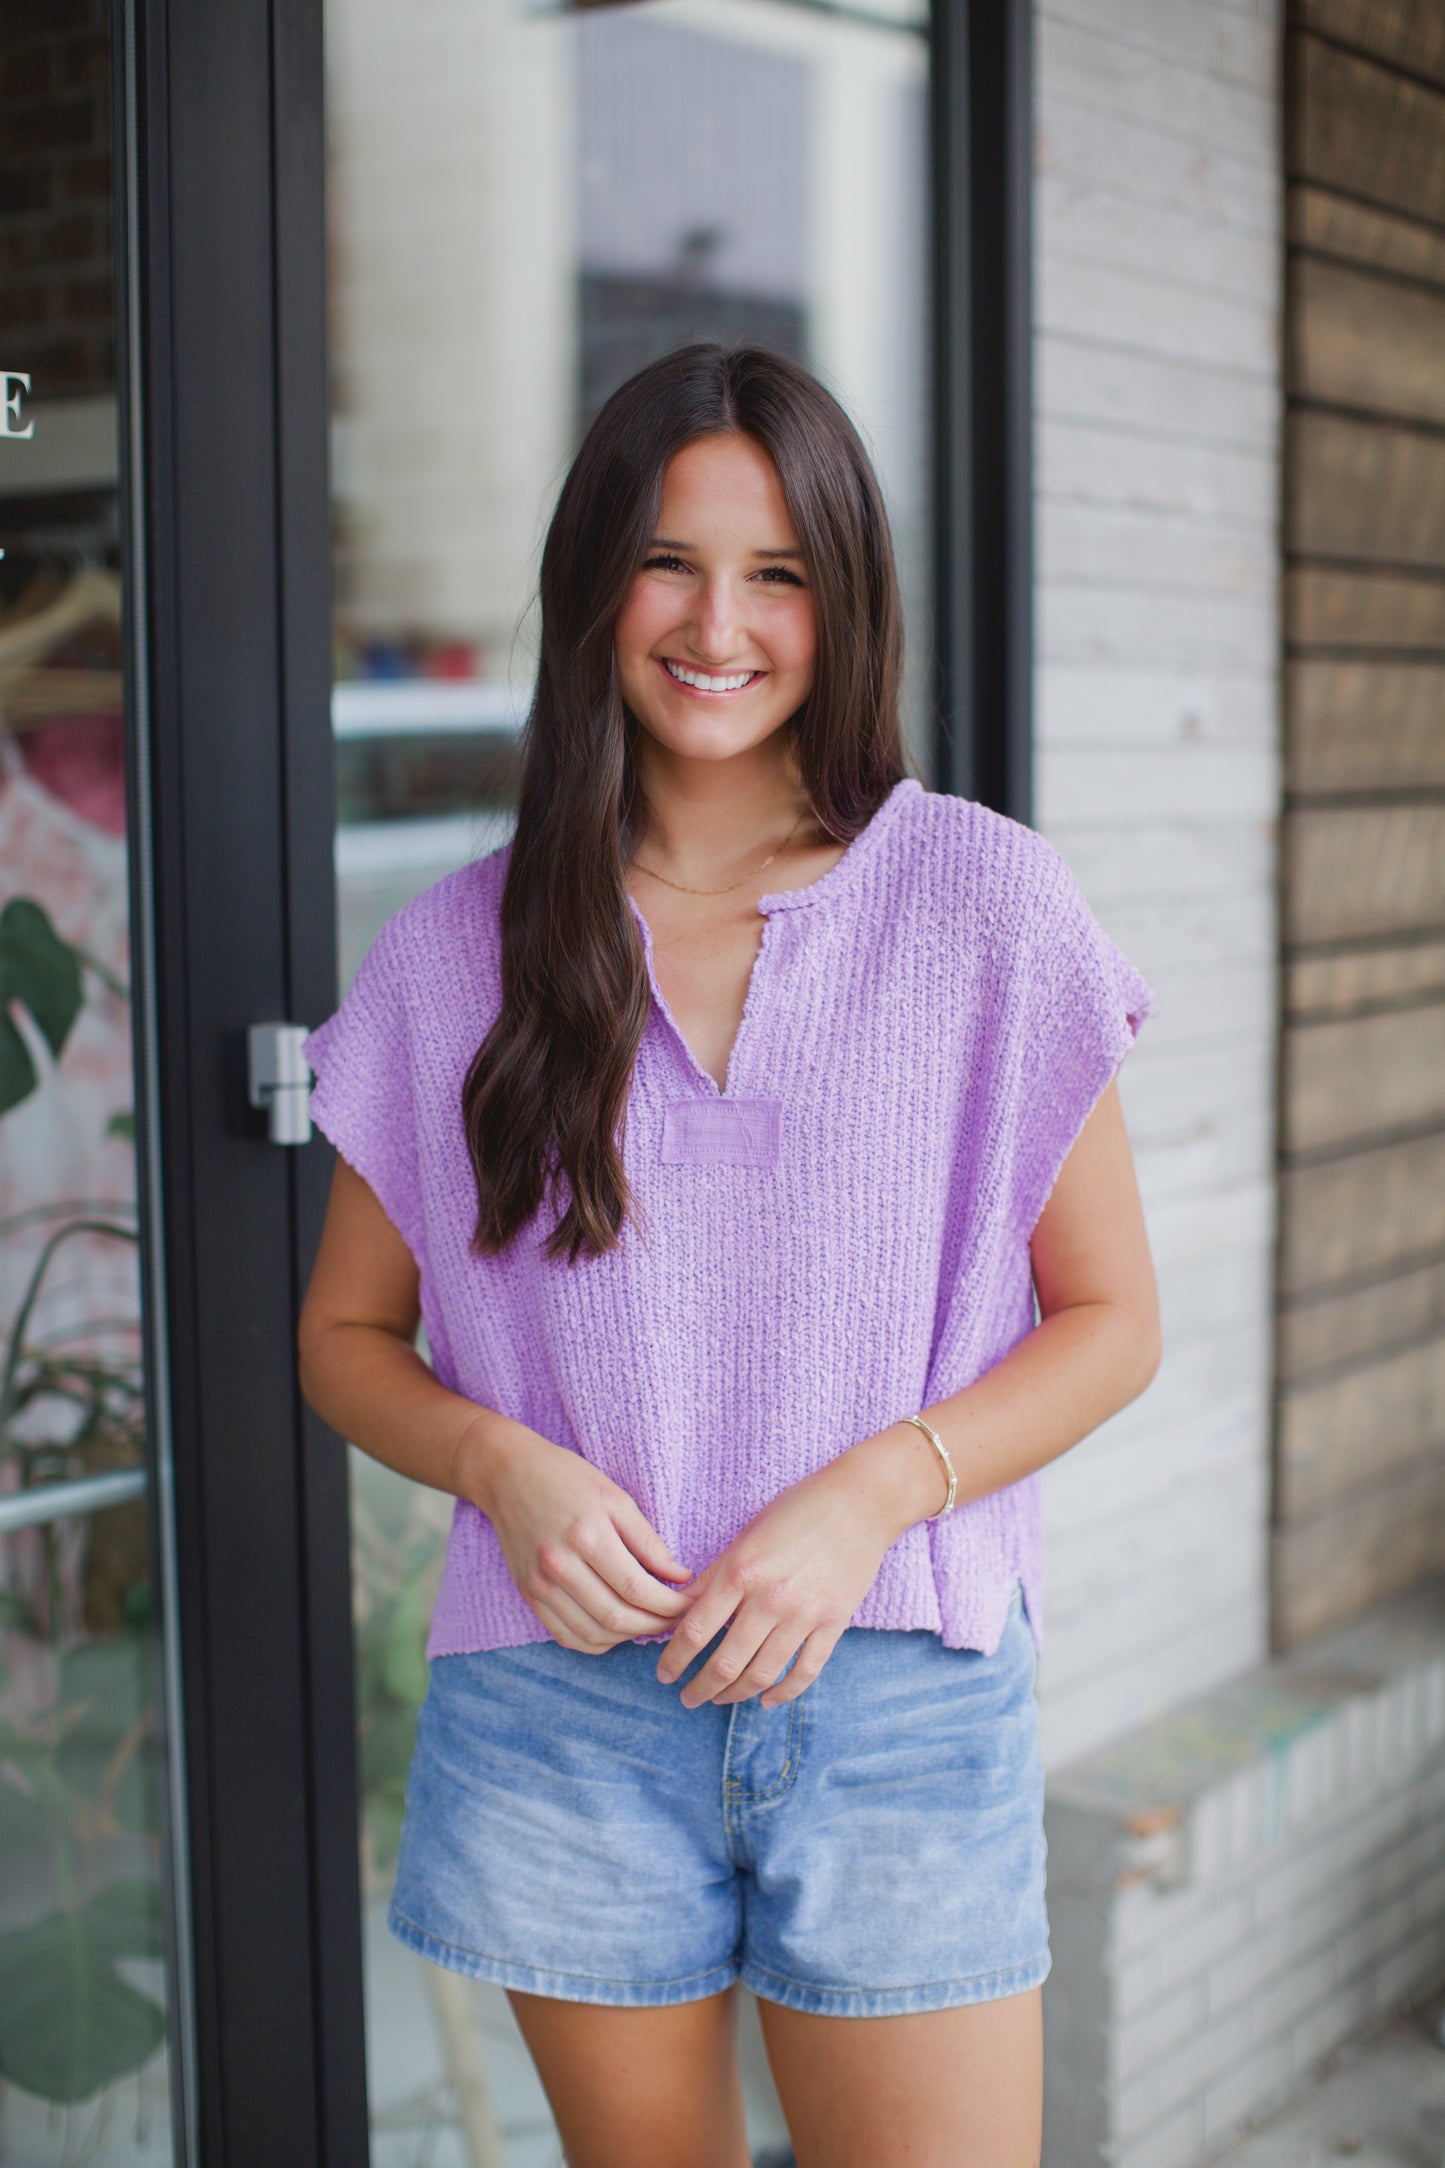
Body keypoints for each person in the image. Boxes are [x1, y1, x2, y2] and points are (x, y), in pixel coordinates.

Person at [298, 343, 1160, 2168]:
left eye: (777, 573)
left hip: (898, 1698)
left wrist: (873, 1492)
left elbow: (1110, 1324)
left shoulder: (981, 903)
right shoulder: (461, 947)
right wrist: (496, 1461)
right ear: (593, 581)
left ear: (842, 605)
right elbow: (345, 1337)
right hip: (562, 1704)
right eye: (670, 560)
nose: (718, 622)